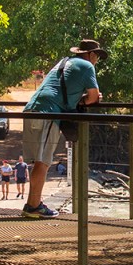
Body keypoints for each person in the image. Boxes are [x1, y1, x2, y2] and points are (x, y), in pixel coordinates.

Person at [21, 39, 107, 219]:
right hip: (48, 113)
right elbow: (93, 98)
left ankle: (32, 204)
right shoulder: (87, 66)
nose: (97, 60)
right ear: (90, 54)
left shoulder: (63, 62)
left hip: (32, 109)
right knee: (42, 162)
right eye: (97, 55)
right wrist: (84, 99)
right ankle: (33, 206)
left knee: (38, 162)